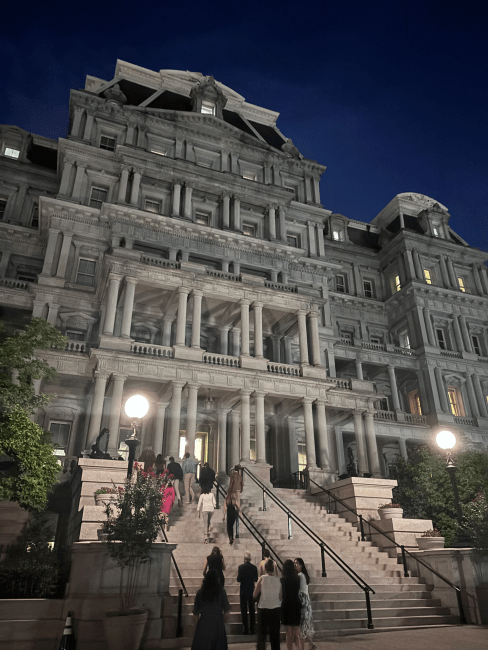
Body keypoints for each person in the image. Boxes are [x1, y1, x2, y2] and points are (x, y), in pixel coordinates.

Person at [191, 569, 230, 650]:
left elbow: (195, 614)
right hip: (218, 623)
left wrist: (197, 627)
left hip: (204, 623)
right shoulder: (222, 592)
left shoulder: (200, 592)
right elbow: (227, 613)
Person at [253, 558, 282, 650]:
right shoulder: (279, 580)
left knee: (262, 636)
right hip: (276, 609)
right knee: (275, 636)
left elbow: (254, 595)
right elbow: (281, 597)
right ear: (274, 569)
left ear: (265, 569)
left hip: (263, 609)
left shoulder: (262, 578)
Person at [294, 558, 316, 650]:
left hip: (302, 600)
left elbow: (298, 590)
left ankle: (303, 646)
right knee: (306, 623)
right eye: (294, 563)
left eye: (297, 563)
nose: (295, 565)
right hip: (307, 600)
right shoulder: (304, 575)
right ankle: (311, 643)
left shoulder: (299, 575)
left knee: (302, 624)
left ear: (301, 565)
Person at [281, 559, 301, 650]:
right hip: (296, 604)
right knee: (296, 632)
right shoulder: (297, 579)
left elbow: (282, 594)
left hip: (286, 605)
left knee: (288, 633)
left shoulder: (283, 580)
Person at [237, 551, 258, 635]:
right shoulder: (254, 567)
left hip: (243, 590)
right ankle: (252, 628)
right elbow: (256, 579)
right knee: (252, 609)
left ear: (244, 559)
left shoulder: (240, 567)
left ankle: (245, 628)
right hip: (251, 590)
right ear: (250, 559)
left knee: (244, 609)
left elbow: (238, 579)